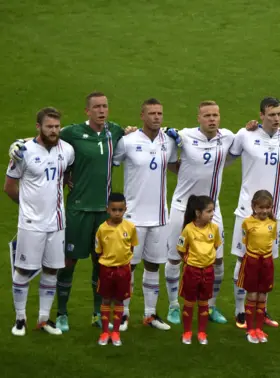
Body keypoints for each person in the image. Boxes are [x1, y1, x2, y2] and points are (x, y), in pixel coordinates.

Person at [7, 93, 136, 331]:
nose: (101, 110)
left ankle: (98, 312)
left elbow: (61, 156)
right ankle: (61, 313)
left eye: (105, 106)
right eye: (96, 107)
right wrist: (18, 142)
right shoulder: (72, 133)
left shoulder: (114, 131)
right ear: (87, 111)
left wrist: (131, 130)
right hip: (76, 210)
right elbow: (45, 136)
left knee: (103, 263)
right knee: (67, 263)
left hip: (104, 212)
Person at [229, 97, 280, 329]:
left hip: (273, 213)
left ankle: (262, 309)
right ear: (261, 115)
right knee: (243, 259)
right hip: (246, 212)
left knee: (266, 261)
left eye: (279, 114)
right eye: (271, 115)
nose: (277, 119)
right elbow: (227, 157)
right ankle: (240, 310)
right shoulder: (245, 135)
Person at [5, 107, 74, 336]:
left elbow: (65, 175)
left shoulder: (67, 150)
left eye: (56, 127)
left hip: (57, 224)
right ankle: (20, 319)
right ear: (38, 127)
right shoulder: (22, 152)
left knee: (52, 270)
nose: (54, 131)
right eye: (49, 127)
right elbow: (9, 186)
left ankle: (43, 319)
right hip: (31, 224)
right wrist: (27, 208)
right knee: (23, 270)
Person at [165, 101, 235, 325]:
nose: (212, 119)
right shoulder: (184, 136)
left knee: (218, 260)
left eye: (215, 115)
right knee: (175, 258)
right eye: (207, 115)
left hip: (211, 208)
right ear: (198, 118)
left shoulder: (227, 137)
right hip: (182, 206)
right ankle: (174, 306)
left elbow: (246, 141)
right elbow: (168, 156)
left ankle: (211, 306)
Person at [113, 98, 179, 330]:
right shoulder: (128, 141)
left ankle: (150, 314)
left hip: (160, 217)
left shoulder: (169, 141)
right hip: (133, 218)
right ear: (142, 116)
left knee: (154, 265)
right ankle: (124, 313)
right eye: (151, 113)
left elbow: (174, 166)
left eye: (160, 113)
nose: (157, 117)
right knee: (128, 267)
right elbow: (111, 164)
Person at [176, 195, 222, 345]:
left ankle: (202, 333)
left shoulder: (214, 228)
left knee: (204, 303)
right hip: (192, 271)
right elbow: (181, 249)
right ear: (198, 213)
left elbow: (215, 245)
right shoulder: (188, 229)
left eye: (213, 210)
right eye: (209, 211)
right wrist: (190, 261)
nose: (212, 214)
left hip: (208, 271)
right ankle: (187, 332)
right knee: (189, 303)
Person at [95, 192, 138, 346]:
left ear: (125, 209)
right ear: (108, 210)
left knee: (119, 300)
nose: (117, 213)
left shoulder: (130, 227)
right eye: (114, 210)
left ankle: (116, 333)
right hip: (106, 270)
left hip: (123, 270)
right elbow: (98, 250)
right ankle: (105, 332)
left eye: (120, 210)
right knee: (106, 299)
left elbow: (131, 247)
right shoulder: (102, 229)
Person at [239, 190, 278, 344]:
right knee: (252, 294)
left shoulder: (273, 223)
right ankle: (250, 329)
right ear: (254, 207)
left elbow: (272, 241)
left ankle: (259, 329)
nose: (264, 211)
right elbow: (245, 241)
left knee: (262, 295)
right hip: (252, 261)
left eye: (267, 207)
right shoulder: (247, 223)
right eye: (261, 207)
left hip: (267, 262)